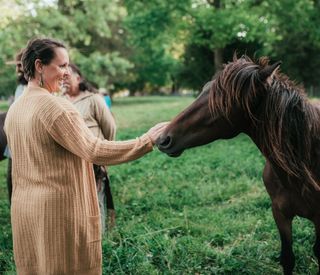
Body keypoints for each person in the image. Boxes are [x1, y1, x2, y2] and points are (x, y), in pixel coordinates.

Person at [4, 37, 168, 275]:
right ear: (39, 65)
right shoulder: (56, 108)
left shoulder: (15, 109)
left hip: (26, 211)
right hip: (59, 213)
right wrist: (146, 140)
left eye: (68, 66)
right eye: (61, 65)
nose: (66, 73)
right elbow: (95, 150)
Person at [63, 63, 117, 233]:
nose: (63, 78)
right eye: (61, 75)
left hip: (93, 161)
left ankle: (99, 239)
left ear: (78, 78)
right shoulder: (59, 101)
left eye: (68, 75)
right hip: (69, 162)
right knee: (75, 201)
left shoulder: (93, 99)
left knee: (95, 199)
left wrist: (103, 155)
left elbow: (110, 129)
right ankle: (80, 236)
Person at [4, 50, 28, 205]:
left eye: (20, 65)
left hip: (28, 140)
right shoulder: (20, 86)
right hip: (15, 140)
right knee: (11, 178)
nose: (18, 69)